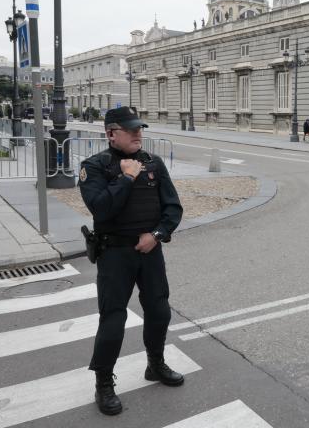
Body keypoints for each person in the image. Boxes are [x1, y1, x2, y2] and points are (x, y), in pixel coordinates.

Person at [79, 107, 184, 416]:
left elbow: (173, 208)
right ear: (112, 133)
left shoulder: (154, 163)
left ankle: (156, 364)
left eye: (140, 128)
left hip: (150, 250)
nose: (139, 133)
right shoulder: (94, 167)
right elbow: (101, 209)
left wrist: (157, 234)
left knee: (159, 310)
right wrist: (125, 178)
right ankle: (103, 384)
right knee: (113, 319)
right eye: (131, 129)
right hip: (114, 254)